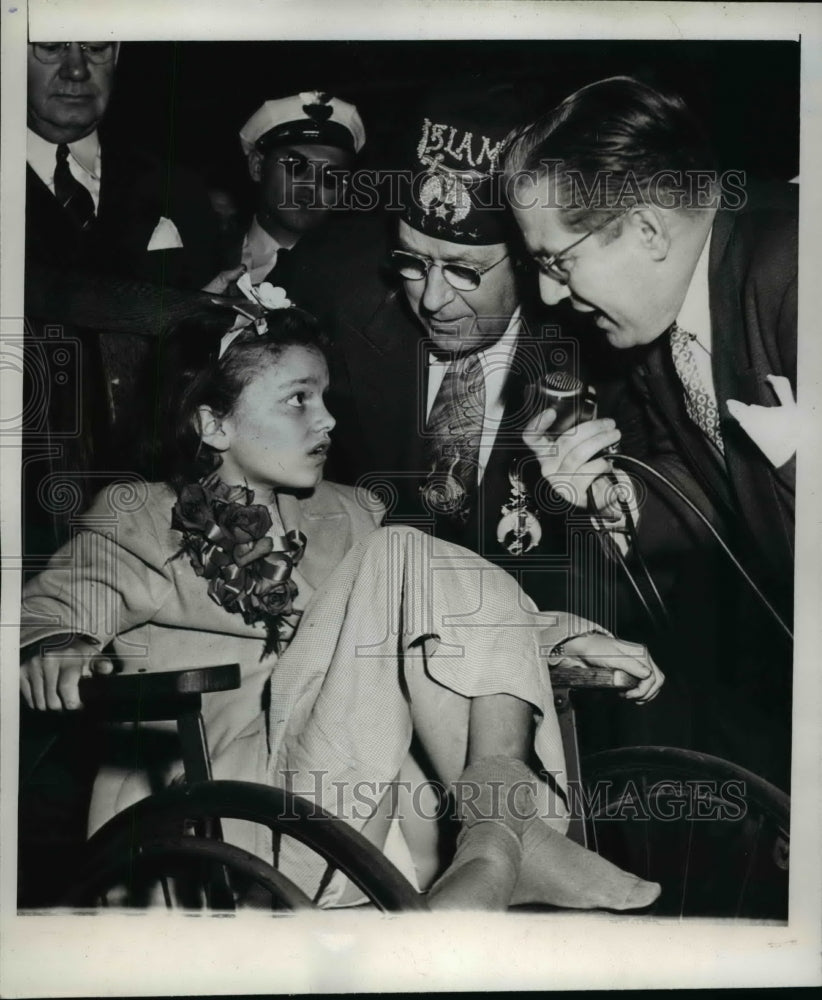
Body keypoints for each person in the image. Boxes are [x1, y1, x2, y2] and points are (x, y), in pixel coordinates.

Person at [20, 303, 664, 911]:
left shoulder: (353, 512)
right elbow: (45, 611)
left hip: (374, 801)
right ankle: (506, 836)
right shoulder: (140, 519)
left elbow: (446, 613)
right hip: (236, 822)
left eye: (324, 398)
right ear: (214, 424)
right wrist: (54, 646)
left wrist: (559, 640)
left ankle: (497, 832)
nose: (327, 419)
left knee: (406, 555)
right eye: (298, 399)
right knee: (404, 551)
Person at [502, 76, 796, 789]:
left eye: (557, 261)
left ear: (647, 230)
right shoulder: (664, 322)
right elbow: (710, 478)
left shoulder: (797, 273)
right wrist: (616, 496)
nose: (547, 294)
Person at [288, 86, 625, 625]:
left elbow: (618, 573)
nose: (431, 299)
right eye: (412, 262)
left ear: (530, 262)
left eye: (464, 271)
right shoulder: (334, 306)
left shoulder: (605, 351)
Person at [229, 90, 365, 295]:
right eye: (295, 165)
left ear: (341, 191)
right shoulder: (196, 257)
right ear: (257, 167)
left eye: (331, 176)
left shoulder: (356, 279)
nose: (312, 184)